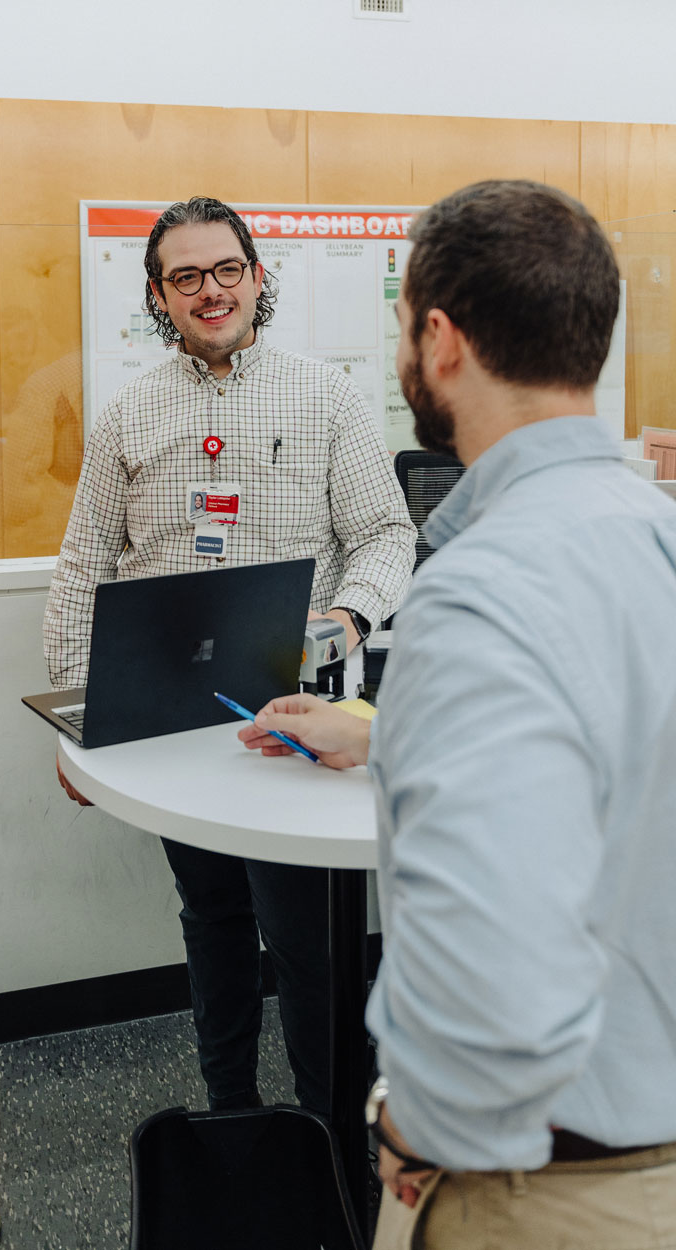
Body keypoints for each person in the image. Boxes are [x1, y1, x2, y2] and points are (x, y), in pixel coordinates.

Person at [240, 179, 676, 1248]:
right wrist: (390, 734)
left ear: (439, 339)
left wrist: (410, 1119)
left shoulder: (481, 586)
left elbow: (492, 977)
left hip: (548, 1190)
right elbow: (622, 749)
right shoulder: (652, 531)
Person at [44, 195, 416, 1116]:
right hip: (172, 719)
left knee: (305, 940)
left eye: (226, 270)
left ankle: (331, 1138)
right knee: (210, 918)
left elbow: (385, 534)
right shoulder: (130, 412)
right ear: (158, 295)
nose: (210, 291)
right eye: (185, 277)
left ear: (257, 276)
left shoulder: (324, 393)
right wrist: (75, 717)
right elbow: (86, 563)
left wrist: (344, 620)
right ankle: (235, 1120)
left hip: (300, 720)